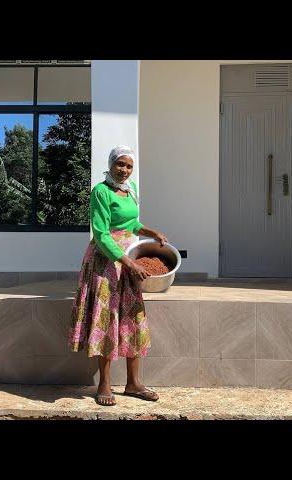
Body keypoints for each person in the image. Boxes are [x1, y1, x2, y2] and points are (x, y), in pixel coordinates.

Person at [67, 145, 169, 406]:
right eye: (120, 164)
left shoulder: (129, 192)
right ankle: (104, 383)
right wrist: (126, 263)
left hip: (129, 260)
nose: (124, 170)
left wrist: (151, 232)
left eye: (129, 166)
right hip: (106, 262)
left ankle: (134, 383)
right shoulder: (100, 192)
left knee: (132, 318)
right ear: (111, 165)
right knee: (107, 319)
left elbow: (130, 224)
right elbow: (101, 234)